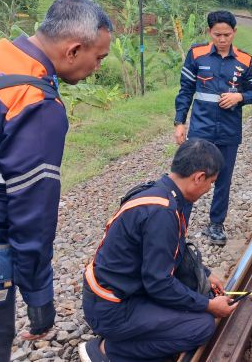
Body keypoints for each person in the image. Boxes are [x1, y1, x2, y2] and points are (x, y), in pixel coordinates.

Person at [0, 0, 113, 361]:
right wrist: (38, 296)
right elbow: (33, 215)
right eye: (99, 57)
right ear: (74, 49)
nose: (97, 67)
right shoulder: (38, 102)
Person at [79, 138, 239, 362]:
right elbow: (159, 283)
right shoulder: (162, 213)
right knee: (201, 326)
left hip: (115, 294)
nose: (209, 189)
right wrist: (208, 305)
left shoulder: (161, 192)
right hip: (113, 309)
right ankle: (106, 351)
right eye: (211, 182)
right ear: (199, 177)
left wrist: (204, 272)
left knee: (198, 295)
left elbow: (172, 249)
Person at [173, 10, 252, 246]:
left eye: (226, 35)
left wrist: (240, 97)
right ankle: (180, 225)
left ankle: (216, 224)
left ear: (234, 32)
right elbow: (185, 91)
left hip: (228, 131)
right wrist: (179, 122)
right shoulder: (196, 55)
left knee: (223, 179)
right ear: (209, 32)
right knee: (189, 177)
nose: (222, 40)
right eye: (217, 35)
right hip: (200, 130)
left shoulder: (245, 60)